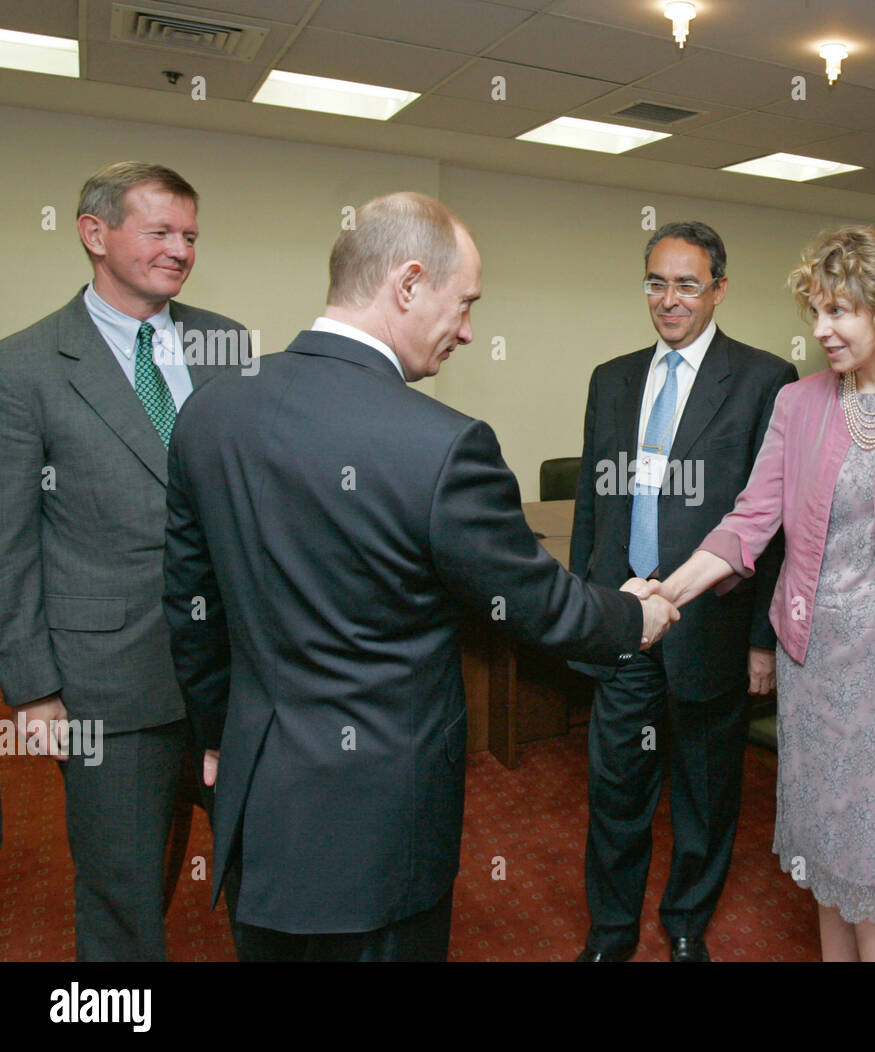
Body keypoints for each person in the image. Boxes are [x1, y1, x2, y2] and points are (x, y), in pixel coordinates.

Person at [162, 192, 678, 962]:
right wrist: (633, 618)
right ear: (408, 285)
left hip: (257, 798)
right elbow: (533, 602)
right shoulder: (444, 444)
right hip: (379, 827)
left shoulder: (210, 412)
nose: (469, 330)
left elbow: (191, 609)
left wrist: (215, 739)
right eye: (464, 302)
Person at [657, 225, 875, 962]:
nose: (819, 330)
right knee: (826, 875)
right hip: (814, 671)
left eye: (839, 312)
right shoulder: (801, 404)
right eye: (814, 311)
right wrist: (668, 593)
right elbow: (749, 521)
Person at [0, 161, 246, 961]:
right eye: (161, 232)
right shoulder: (26, 366)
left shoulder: (228, 344)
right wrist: (32, 692)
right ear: (94, 234)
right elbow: (9, 543)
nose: (180, 250)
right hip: (106, 681)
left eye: (191, 236)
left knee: (262, 871)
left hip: (240, 672)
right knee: (123, 893)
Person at [570, 220, 797, 962]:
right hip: (622, 621)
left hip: (712, 628)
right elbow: (591, 507)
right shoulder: (612, 377)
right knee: (616, 792)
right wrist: (583, 613)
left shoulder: (765, 380)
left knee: (704, 793)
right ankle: (610, 933)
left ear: (719, 290)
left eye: (687, 284)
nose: (669, 300)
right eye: (656, 282)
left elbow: (778, 525)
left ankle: (688, 924)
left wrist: (763, 640)